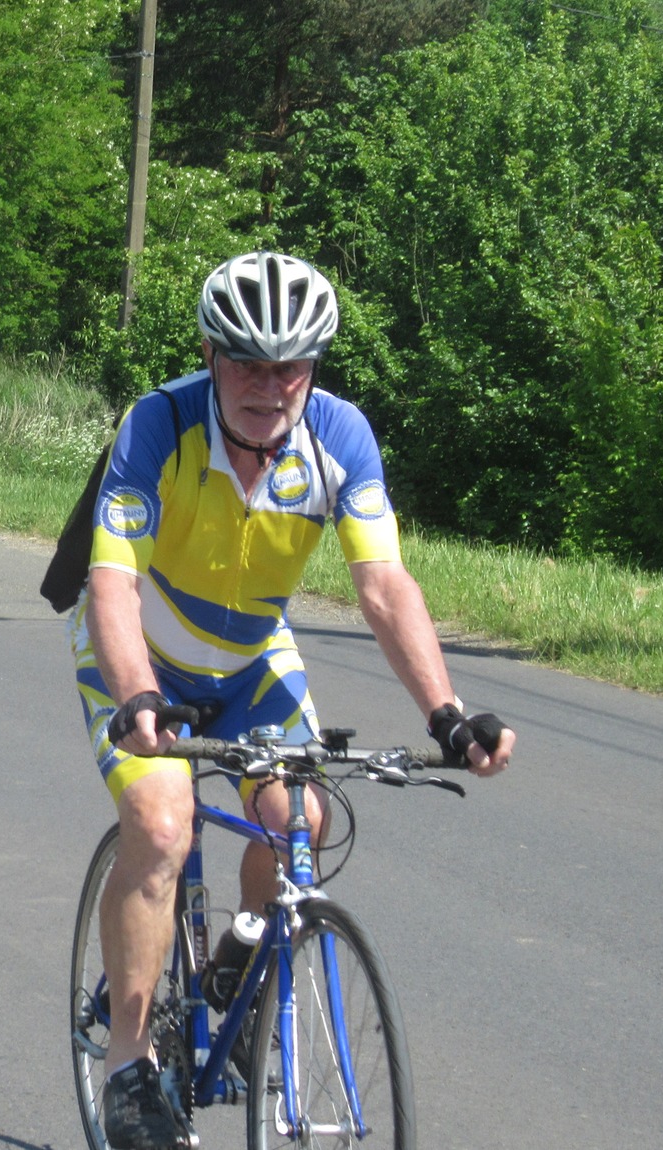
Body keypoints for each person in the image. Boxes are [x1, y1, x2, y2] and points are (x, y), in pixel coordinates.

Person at [59, 251, 516, 1150]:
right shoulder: (158, 423)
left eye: (291, 366)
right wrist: (140, 696)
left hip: (252, 659)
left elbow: (383, 586)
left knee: (300, 814)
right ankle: (125, 1065)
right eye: (248, 364)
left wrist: (448, 714)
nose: (271, 387)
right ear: (210, 353)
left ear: (315, 368)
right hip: (138, 651)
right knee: (159, 823)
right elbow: (111, 585)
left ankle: (234, 961)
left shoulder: (341, 437)